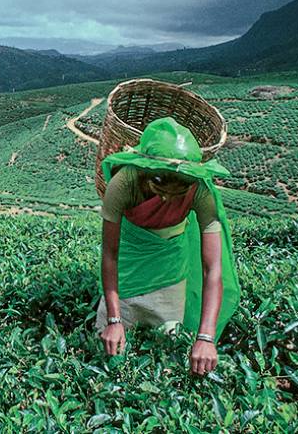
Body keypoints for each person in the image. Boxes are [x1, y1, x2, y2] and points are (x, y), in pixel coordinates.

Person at [96, 117, 240, 376]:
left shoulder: (201, 192)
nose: (166, 200)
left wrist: (205, 337)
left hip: (170, 273)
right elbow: (110, 254)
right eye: (160, 188)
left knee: (168, 357)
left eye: (177, 193)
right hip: (128, 269)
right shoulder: (123, 183)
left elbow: (212, 268)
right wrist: (114, 319)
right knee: (108, 355)